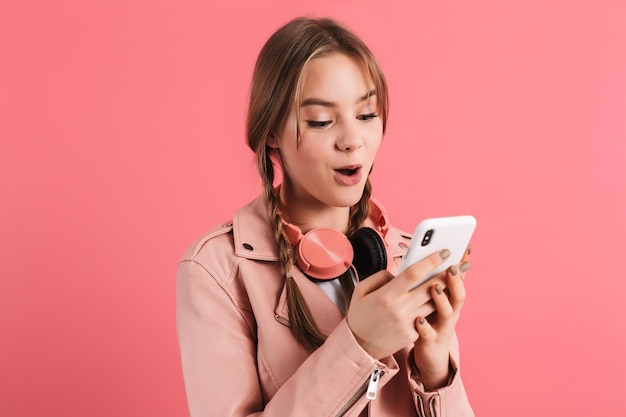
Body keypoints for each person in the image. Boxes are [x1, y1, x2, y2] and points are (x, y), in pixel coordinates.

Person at [176, 16, 474, 417]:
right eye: (320, 121)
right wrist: (359, 344)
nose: (353, 141)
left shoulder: (405, 256)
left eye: (367, 115)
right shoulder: (216, 270)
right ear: (270, 133)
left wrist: (435, 367)